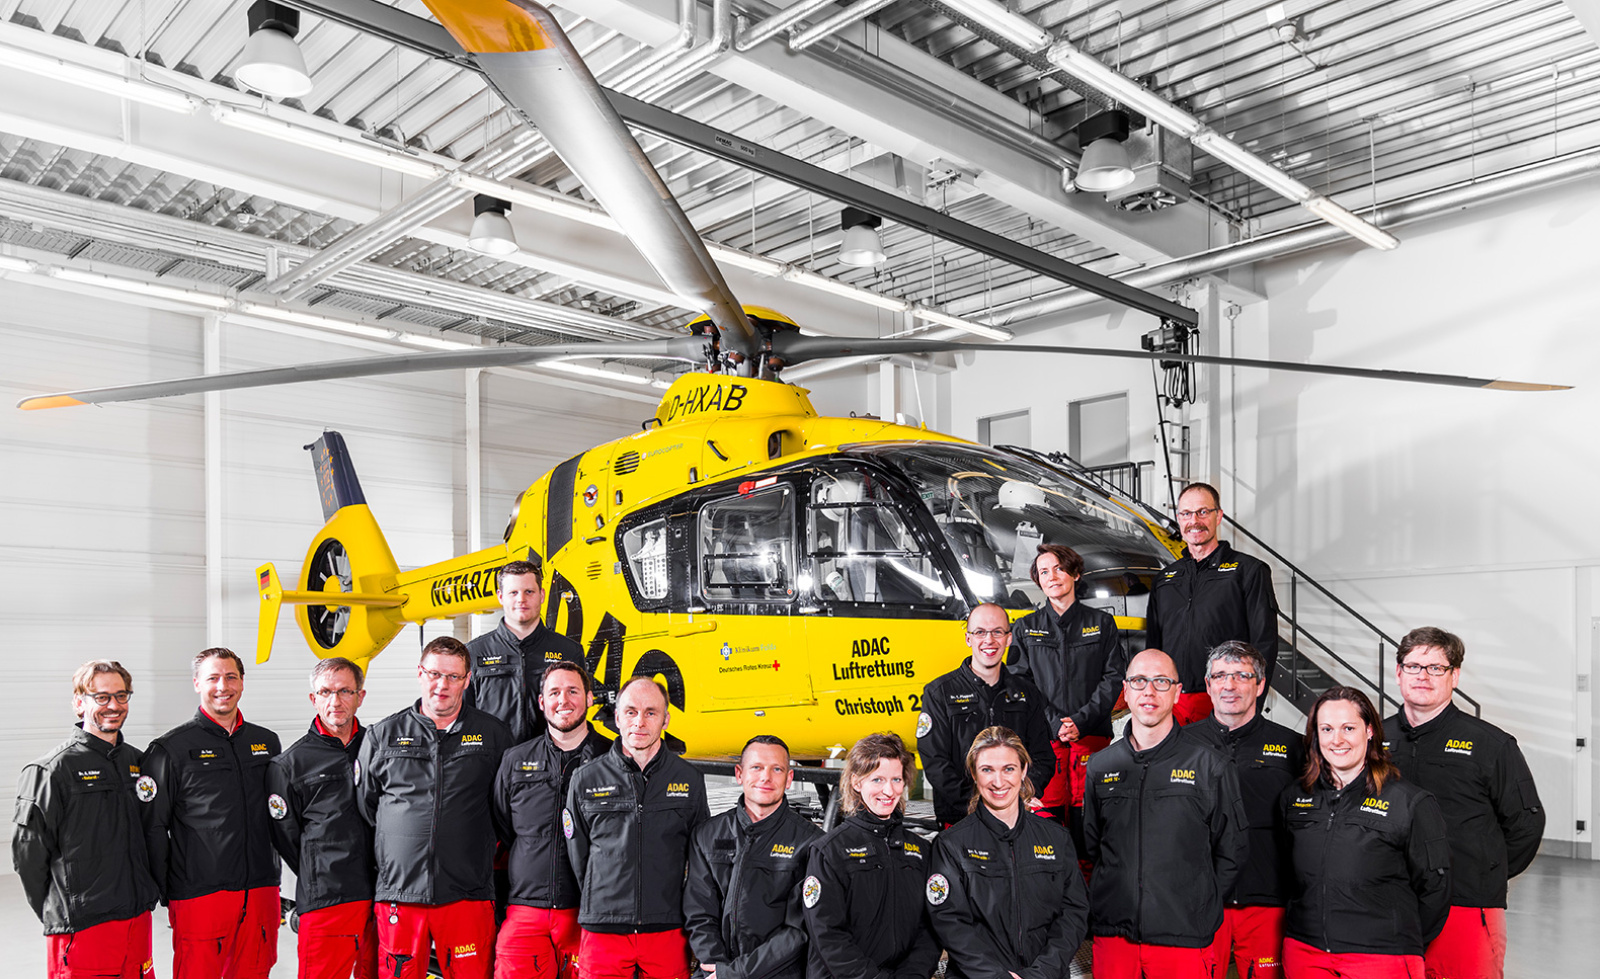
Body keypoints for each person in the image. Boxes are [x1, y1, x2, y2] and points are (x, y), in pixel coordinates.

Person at [1383, 627, 1543, 979]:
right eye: (1413, 666)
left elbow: (1526, 824)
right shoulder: (1375, 739)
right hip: (1391, 901)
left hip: (1466, 905)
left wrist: (1482, 872)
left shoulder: (1490, 744)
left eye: (1436, 668)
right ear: (1398, 673)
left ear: (1454, 676)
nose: (1422, 676)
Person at [1082, 649, 1247, 979]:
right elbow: (1092, 845)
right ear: (1125, 691)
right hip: (1115, 937)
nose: (1149, 691)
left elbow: (1232, 851)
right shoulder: (1102, 766)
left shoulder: (1209, 765)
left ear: (1177, 691)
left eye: (1161, 681)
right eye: (1140, 681)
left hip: (1184, 939)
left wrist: (1196, 904)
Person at [358, 637, 513, 979]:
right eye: (434, 674)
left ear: (468, 679)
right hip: (400, 893)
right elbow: (368, 807)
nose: (442, 685)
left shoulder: (493, 735)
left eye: (453, 677)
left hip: (467, 895)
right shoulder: (382, 736)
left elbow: (506, 808)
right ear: (420, 674)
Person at [1282, 686, 1451, 979]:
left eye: (1349, 728)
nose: (1337, 740)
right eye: (1327, 729)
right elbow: (1285, 872)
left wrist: (1398, 938)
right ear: (1315, 735)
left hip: (1381, 955)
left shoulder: (1410, 802)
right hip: (1305, 951)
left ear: (1369, 731)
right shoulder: (1295, 797)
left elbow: (1435, 888)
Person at [13, 660, 160, 979]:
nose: (114, 706)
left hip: (136, 921)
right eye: (102, 697)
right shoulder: (51, 771)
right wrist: (65, 907)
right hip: (83, 929)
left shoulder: (138, 762)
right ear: (79, 703)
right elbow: (29, 858)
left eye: (122, 696)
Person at [143, 648, 282, 979]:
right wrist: (170, 890)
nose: (223, 685)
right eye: (213, 678)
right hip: (200, 894)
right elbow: (152, 827)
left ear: (242, 682)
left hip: (261, 889)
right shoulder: (170, 749)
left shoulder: (266, 742)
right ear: (196, 684)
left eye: (231, 676)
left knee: (256, 970)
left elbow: (280, 813)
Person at [565, 676, 710, 979]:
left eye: (650, 712)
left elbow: (700, 859)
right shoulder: (585, 779)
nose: (639, 722)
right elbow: (578, 856)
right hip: (604, 930)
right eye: (630, 712)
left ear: (666, 720)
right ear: (617, 717)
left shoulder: (690, 779)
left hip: (667, 928)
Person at [927, 726, 1089, 979]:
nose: (999, 781)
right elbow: (949, 922)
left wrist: (1042, 972)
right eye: (987, 770)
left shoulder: (1056, 838)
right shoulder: (951, 845)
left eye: (1009, 769)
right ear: (973, 773)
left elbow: (1074, 912)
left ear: (1024, 770)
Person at [1183, 642, 1304, 979]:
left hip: (1268, 901)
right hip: (1200, 901)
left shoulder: (1294, 747)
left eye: (1241, 675)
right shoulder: (1180, 745)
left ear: (1260, 684)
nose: (1230, 685)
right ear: (1208, 685)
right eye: (1220, 675)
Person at [492, 661, 613, 979]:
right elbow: (503, 825)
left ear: (589, 698)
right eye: (555, 692)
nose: (564, 700)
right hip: (526, 910)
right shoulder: (515, 760)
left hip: (592, 912)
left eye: (573, 691)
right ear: (542, 701)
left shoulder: (614, 760)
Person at [267, 657, 378, 979]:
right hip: (328, 898)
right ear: (313, 698)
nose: (335, 701)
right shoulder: (289, 764)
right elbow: (285, 836)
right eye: (326, 692)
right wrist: (321, 868)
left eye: (345, 691)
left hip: (383, 893)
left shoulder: (380, 748)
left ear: (360, 695)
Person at [802, 733, 941, 979]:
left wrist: (914, 975)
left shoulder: (921, 850)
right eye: (877, 779)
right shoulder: (829, 851)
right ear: (857, 782)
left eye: (896, 779)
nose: (889, 790)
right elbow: (829, 935)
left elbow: (929, 927)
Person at [1008, 544, 1126, 831]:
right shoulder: (1025, 627)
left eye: (1059, 568)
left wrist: (1081, 721)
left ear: (1075, 573)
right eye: (1044, 572)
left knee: (1090, 819)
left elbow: (1113, 678)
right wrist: (1054, 722)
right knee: (1048, 819)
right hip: (1046, 742)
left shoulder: (1101, 624)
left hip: (1091, 738)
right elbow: (1020, 683)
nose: (1052, 576)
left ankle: (1090, 876)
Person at [684, 735, 823, 979]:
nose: (765, 777)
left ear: (789, 778)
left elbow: (799, 930)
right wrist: (717, 969)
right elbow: (699, 912)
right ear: (739, 774)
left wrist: (735, 974)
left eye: (777, 769)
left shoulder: (811, 843)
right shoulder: (707, 834)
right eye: (756, 767)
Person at [1144, 483, 1279, 724]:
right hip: (1173, 702)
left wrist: (1250, 708)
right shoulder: (1165, 580)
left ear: (1219, 516)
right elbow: (1154, 647)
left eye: (1203, 512)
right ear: (1179, 518)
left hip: (1225, 700)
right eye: (1186, 514)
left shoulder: (1248, 571)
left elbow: (1264, 645)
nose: (1194, 520)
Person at [918, 602, 1055, 828]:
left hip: (1015, 816)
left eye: (997, 632)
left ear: (1008, 638)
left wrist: (1018, 797)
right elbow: (936, 763)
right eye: (980, 632)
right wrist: (977, 803)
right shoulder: (939, 693)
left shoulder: (1027, 694)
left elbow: (1043, 757)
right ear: (968, 639)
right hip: (961, 818)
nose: (989, 640)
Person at [465, 559, 584, 743]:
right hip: (494, 765)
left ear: (542, 595)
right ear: (500, 596)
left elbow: (579, 711)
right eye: (513, 592)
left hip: (552, 762)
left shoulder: (569, 651)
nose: (521, 599)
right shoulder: (474, 653)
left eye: (529, 591)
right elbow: (464, 717)